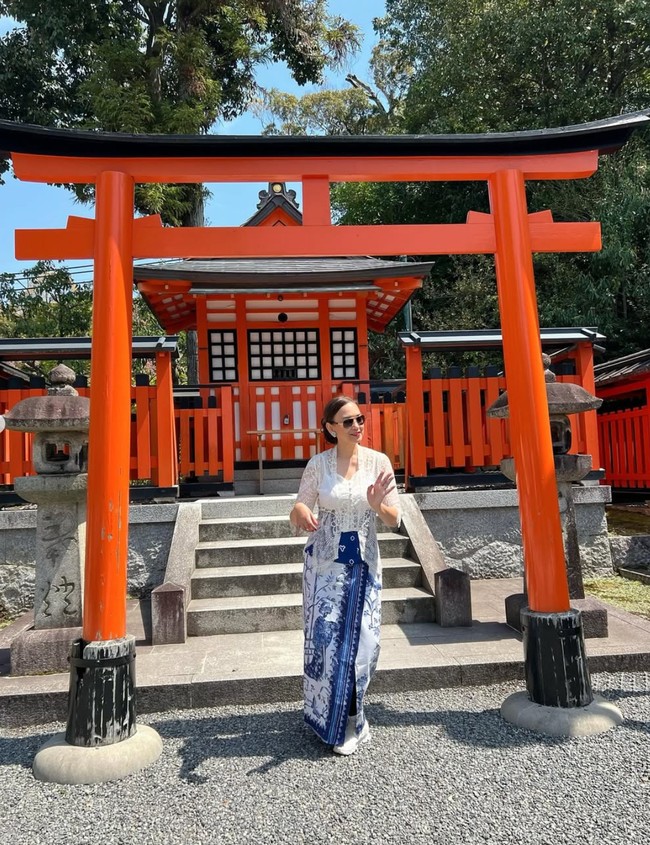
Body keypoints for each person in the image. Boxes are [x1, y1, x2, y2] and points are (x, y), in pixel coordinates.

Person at [289, 395, 401, 756]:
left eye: (360, 419)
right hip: (326, 566)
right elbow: (300, 505)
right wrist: (302, 513)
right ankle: (334, 719)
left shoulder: (378, 463)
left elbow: (394, 519)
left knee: (363, 644)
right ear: (331, 428)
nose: (357, 426)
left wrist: (376, 505)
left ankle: (356, 717)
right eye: (348, 421)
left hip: (364, 564)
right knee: (328, 642)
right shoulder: (317, 466)